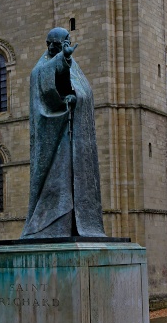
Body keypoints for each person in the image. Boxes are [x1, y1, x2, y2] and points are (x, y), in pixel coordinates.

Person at [21, 28, 106, 239]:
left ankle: (74, 225)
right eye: (48, 43)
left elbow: (85, 93)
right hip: (54, 136)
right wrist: (62, 59)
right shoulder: (42, 67)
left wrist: (75, 98)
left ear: (67, 42)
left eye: (57, 44)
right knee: (57, 181)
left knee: (73, 180)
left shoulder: (76, 70)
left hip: (74, 136)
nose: (52, 47)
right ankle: (47, 227)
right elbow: (40, 80)